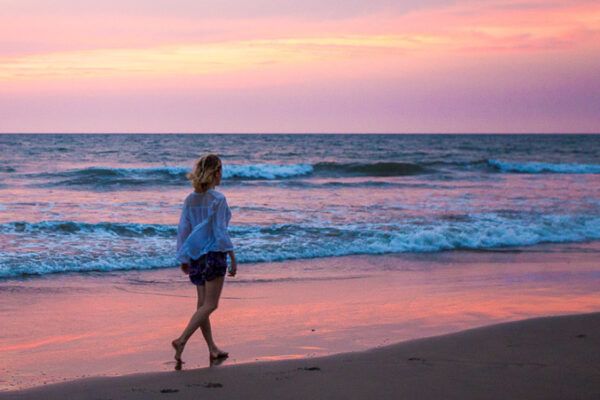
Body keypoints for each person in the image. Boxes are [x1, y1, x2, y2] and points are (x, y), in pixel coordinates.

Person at [171, 153, 237, 370]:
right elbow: (220, 231)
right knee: (210, 305)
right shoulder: (218, 199)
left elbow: (183, 229)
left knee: (202, 306)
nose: (221, 176)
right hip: (214, 254)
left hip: (197, 256)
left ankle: (212, 349)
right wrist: (232, 255)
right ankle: (181, 340)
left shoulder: (190, 200)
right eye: (220, 171)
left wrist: (184, 255)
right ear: (214, 171)